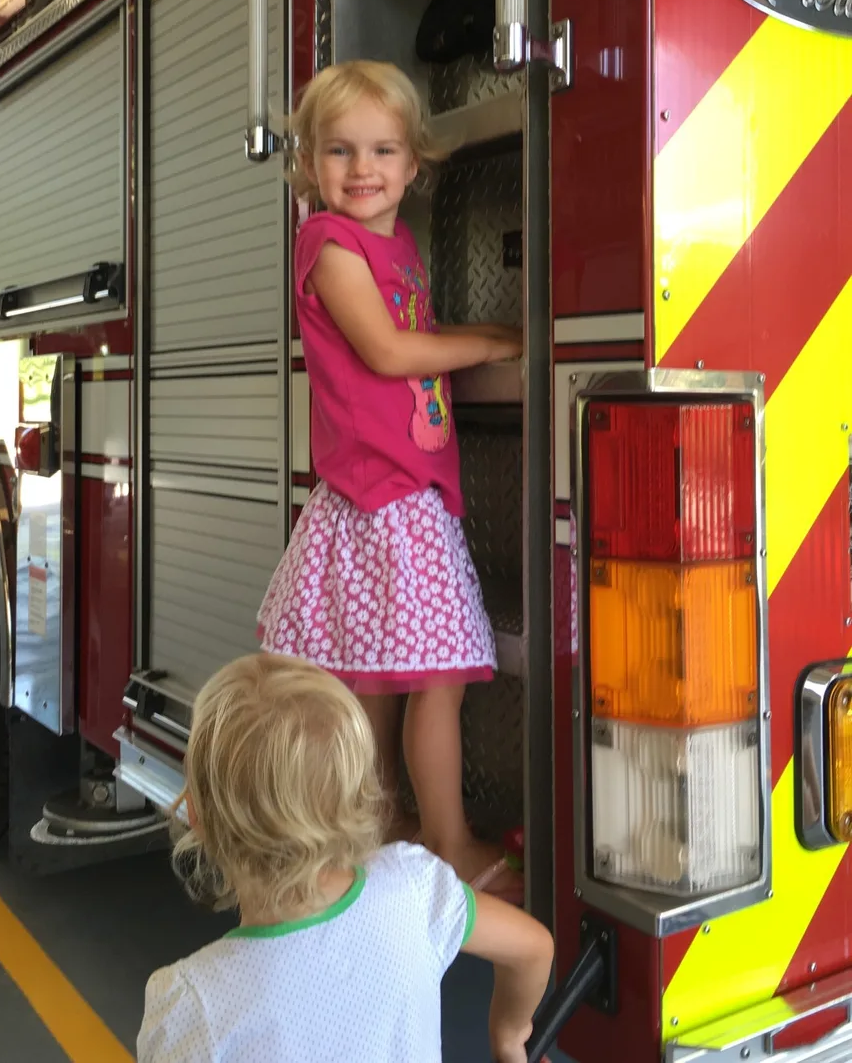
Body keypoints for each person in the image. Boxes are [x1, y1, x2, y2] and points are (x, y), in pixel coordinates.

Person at [257, 60, 523, 897]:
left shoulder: (394, 246)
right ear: (309, 165)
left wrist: (476, 334)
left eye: (382, 150)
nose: (362, 168)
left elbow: (414, 341)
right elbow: (391, 352)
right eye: (339, 151)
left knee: (378, 678)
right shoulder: (328, 245)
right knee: (433, 682)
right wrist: (491, 342)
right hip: (386, 498)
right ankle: (446, 844)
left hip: (402, 492)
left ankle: (375, 823)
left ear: (415, 165)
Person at [137, 653, 554, 1063]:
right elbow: (533, 948)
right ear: (357, 797)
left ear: (196, 813)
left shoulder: (193, 1004)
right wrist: (508, 1037)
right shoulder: (415, 888)